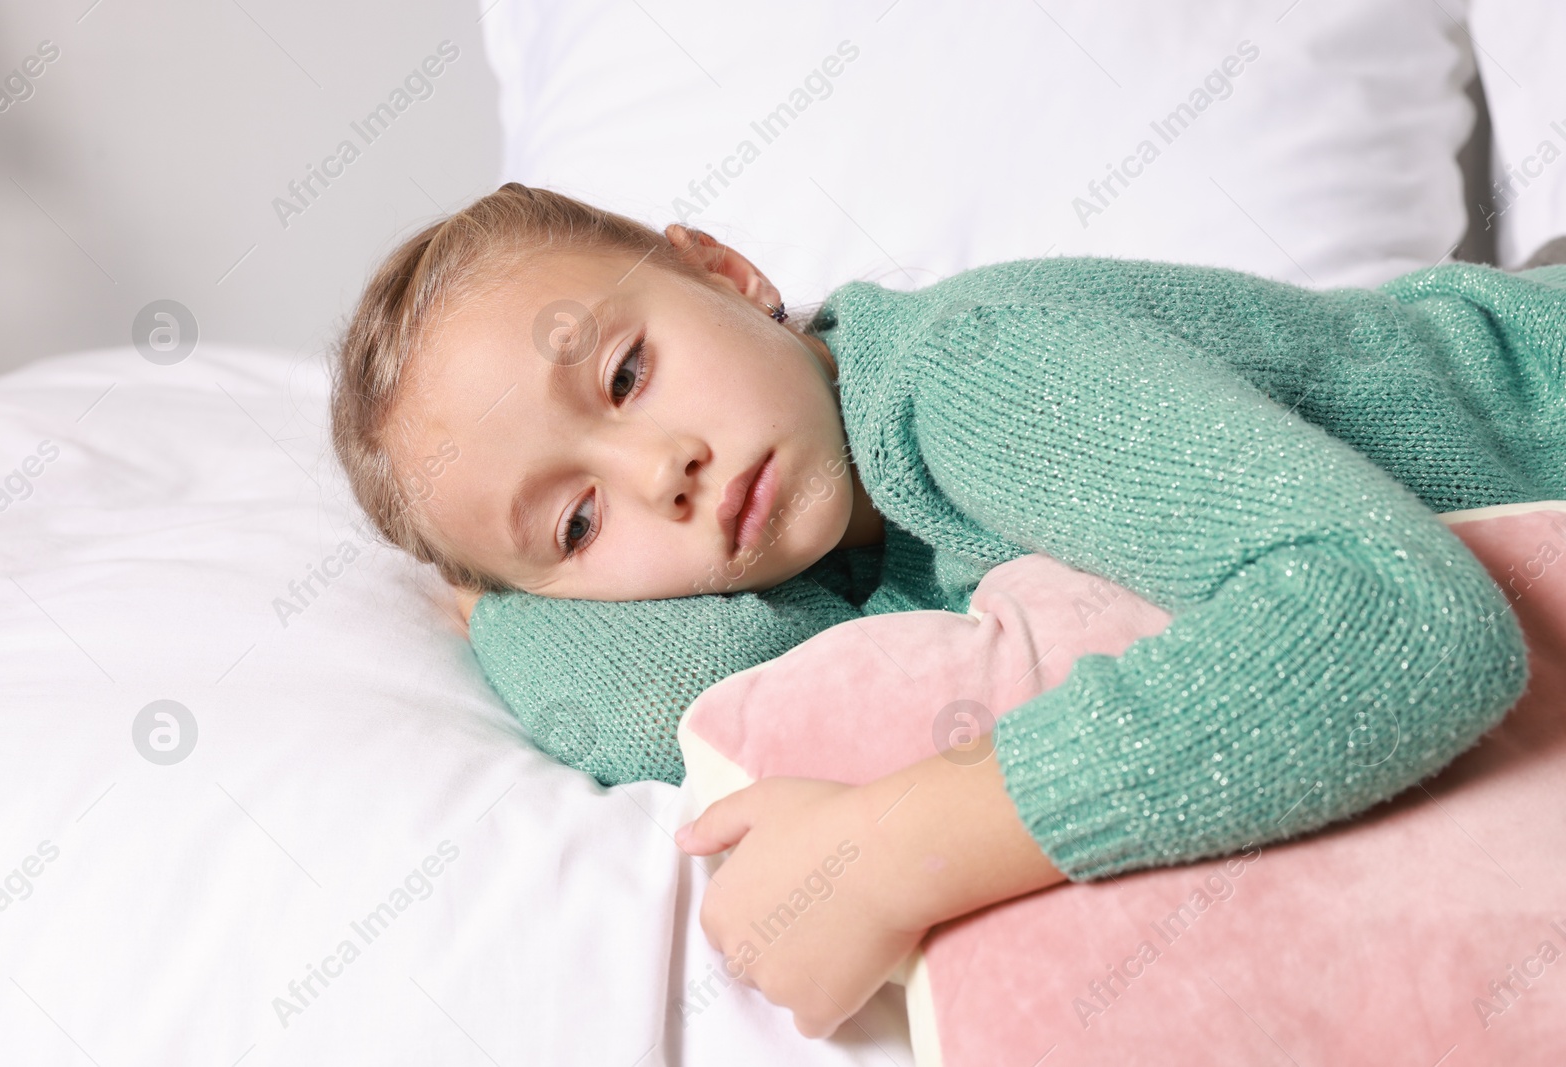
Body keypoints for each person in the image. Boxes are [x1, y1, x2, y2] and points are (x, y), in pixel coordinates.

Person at [330, 182, 1566, 1038]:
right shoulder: (853, 579)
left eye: (625, 372)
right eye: (578, 521)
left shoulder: (966, 374)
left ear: (724, 270)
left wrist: (902, 848)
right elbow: (665, 704)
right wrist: (507, 609)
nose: (663, 471)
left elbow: (1399, 618)